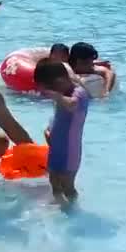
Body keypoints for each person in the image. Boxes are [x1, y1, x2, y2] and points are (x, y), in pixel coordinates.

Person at [34, 58, 89, 203]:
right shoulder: (61, 94)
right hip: (56, 145)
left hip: (70, 149)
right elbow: (58, 115)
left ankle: (72, 209)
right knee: (53, 179)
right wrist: (49, 129)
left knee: (67, 184)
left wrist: (55, 95)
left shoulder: (79, 93)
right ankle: (58, 206)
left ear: (60, 81)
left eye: (51, 88)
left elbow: (72, 105)